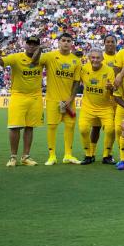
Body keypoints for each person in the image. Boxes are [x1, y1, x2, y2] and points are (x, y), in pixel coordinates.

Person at [0, 35, 43, 167]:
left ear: (38, 46)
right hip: (18, 96)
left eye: (34, 44)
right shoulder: (16, 57)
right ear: (25, 44)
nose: (31, 46)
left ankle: (26, 157)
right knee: (14, 127)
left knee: (30, 127)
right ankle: (13, 157)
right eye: (29, 43)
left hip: (35, 97)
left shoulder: (43, 58)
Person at [39, 33, 82, 165]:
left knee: (70, 126)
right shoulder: (50, 56)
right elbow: (34, 61)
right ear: (58, 42)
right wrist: (40, 47)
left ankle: (68, 155)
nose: (66, 43)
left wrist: (71, 98)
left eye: (68, 41)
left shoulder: (76, 60)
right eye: (63, 40)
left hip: (69, 101)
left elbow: (76, 82)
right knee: (52, 127)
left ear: (71, 43)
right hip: (53, 100)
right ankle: (52, 156)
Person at [77, 49, 117, 165]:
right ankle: (89, 155)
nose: (95, 60)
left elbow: (113, 90)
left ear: (102, 59)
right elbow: (75, 81)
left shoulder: (109, 71)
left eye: (98, 58)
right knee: (83, 129)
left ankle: (106, 156)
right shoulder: (83, 69)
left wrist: (111, 88)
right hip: (87, 107)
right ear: (89, 58)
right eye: (93, 57)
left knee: (110, 130)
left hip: (105, 107)